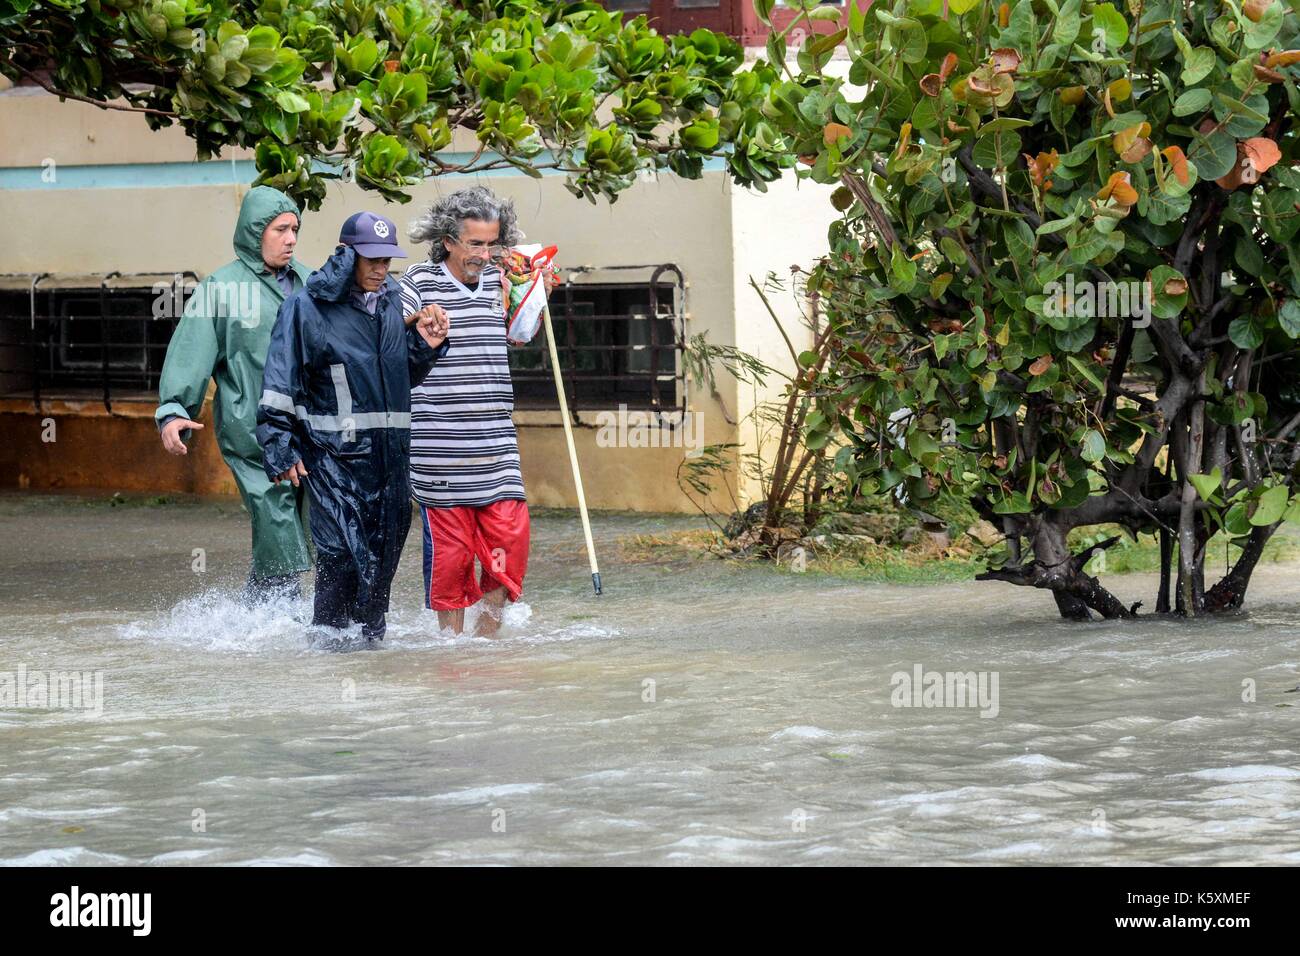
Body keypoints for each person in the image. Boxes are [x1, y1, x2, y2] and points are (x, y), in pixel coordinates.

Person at [256, 212, 450, 644]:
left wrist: (426, 346)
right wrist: (278, 447)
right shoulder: (306, 307)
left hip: (390, 464)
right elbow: (279, 382)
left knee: (380, 565)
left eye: (388, 260)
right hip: (331, 460)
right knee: (341, 557)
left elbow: (398, 376)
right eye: (372, 259)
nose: (382, 268)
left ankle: (369, 665)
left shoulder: (392, 299)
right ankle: (325, 655)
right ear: (347, 256)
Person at [154, 186, 312, 602]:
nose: (291, 238)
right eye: (281, 229)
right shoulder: (221, 288)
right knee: (276, 518)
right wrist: (173, 411)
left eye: (295, 228)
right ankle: (276, 622)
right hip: (253, 434)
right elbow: (191, 350)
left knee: (315, 529)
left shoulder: (311, 282)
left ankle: (263, 616)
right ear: (256, 231)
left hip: (314, 431)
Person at [399, 187, 543, 637]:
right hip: (440, 448)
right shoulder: (418, 281)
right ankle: (451, 647)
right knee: (453, 558)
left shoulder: (504, 280)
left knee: (508, 543)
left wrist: (535, 293)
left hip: (496, 445)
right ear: (448, 240)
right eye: (475, 244)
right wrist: (418, 317)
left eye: (492, 243)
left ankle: (488, 636)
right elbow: (383, 323)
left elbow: (520, 334)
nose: (484, 254)